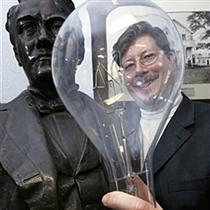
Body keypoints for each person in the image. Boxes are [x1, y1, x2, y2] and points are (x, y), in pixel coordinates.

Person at [0, 0, 110, 209]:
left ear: (79, 50)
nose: (42, 38)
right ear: (17, 54)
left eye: (57, 26)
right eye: (27, 28)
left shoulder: (114, 121)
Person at [101, 21, 210, 210]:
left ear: (171, 60)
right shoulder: (116, 130)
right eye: (128, 65)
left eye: (148, 57)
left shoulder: (207, 123)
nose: (139, 70)